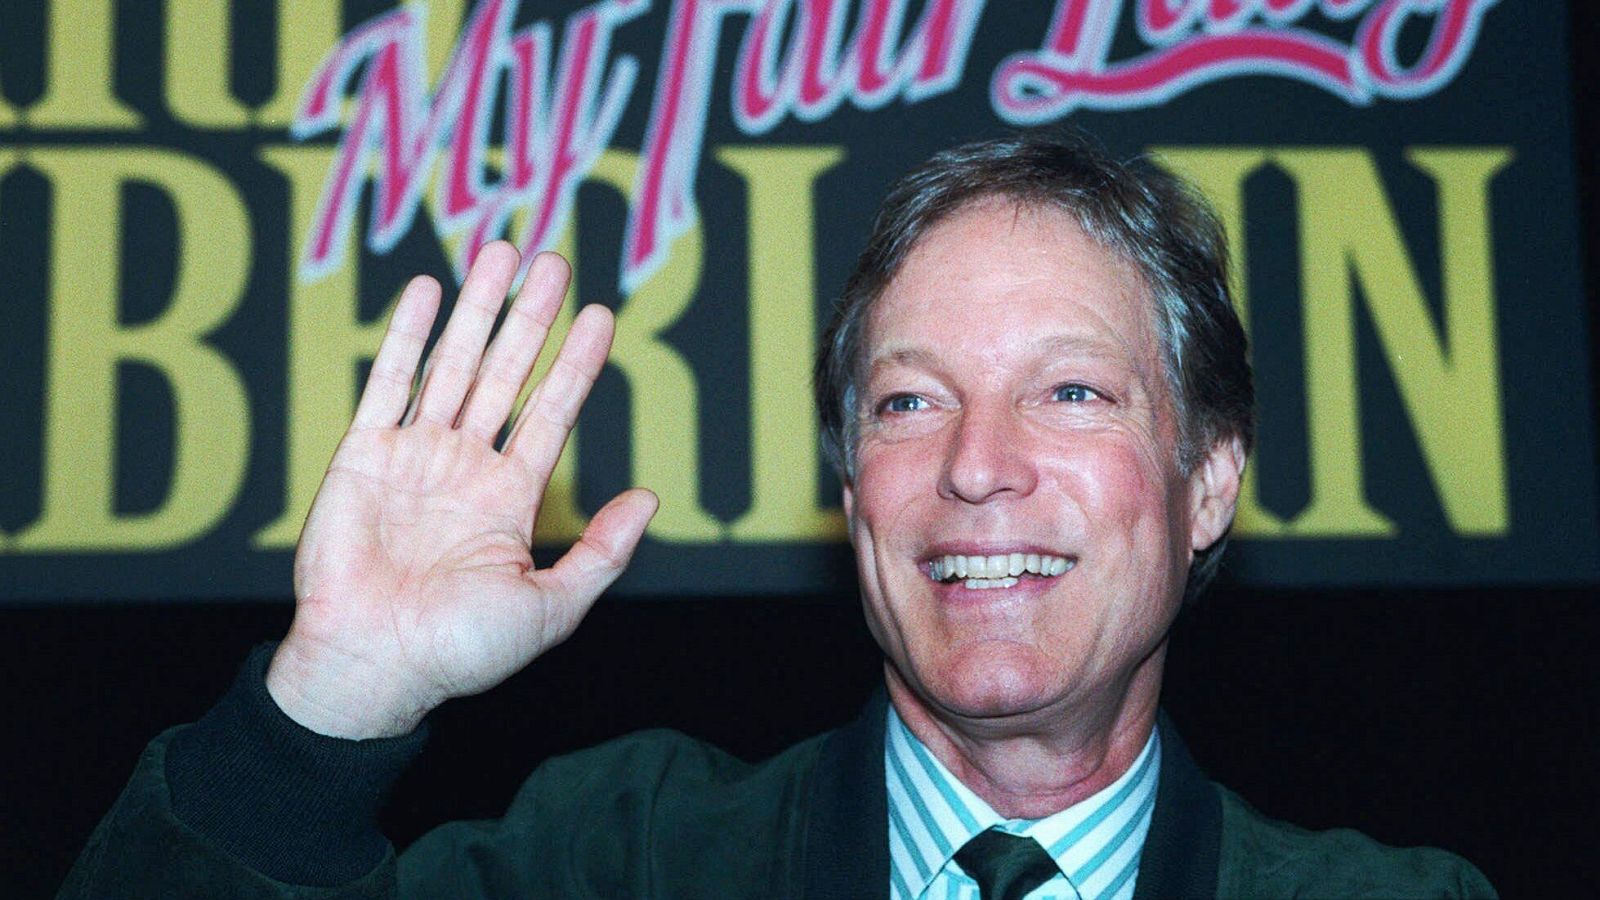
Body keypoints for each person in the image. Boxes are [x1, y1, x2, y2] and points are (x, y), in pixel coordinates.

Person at [62, 134, 1494, 898]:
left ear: (1210, 480)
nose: (976, 466)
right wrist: (329, 706)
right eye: (909, 402)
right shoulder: (615, 858)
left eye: (1070, 393)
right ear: (851, 487)